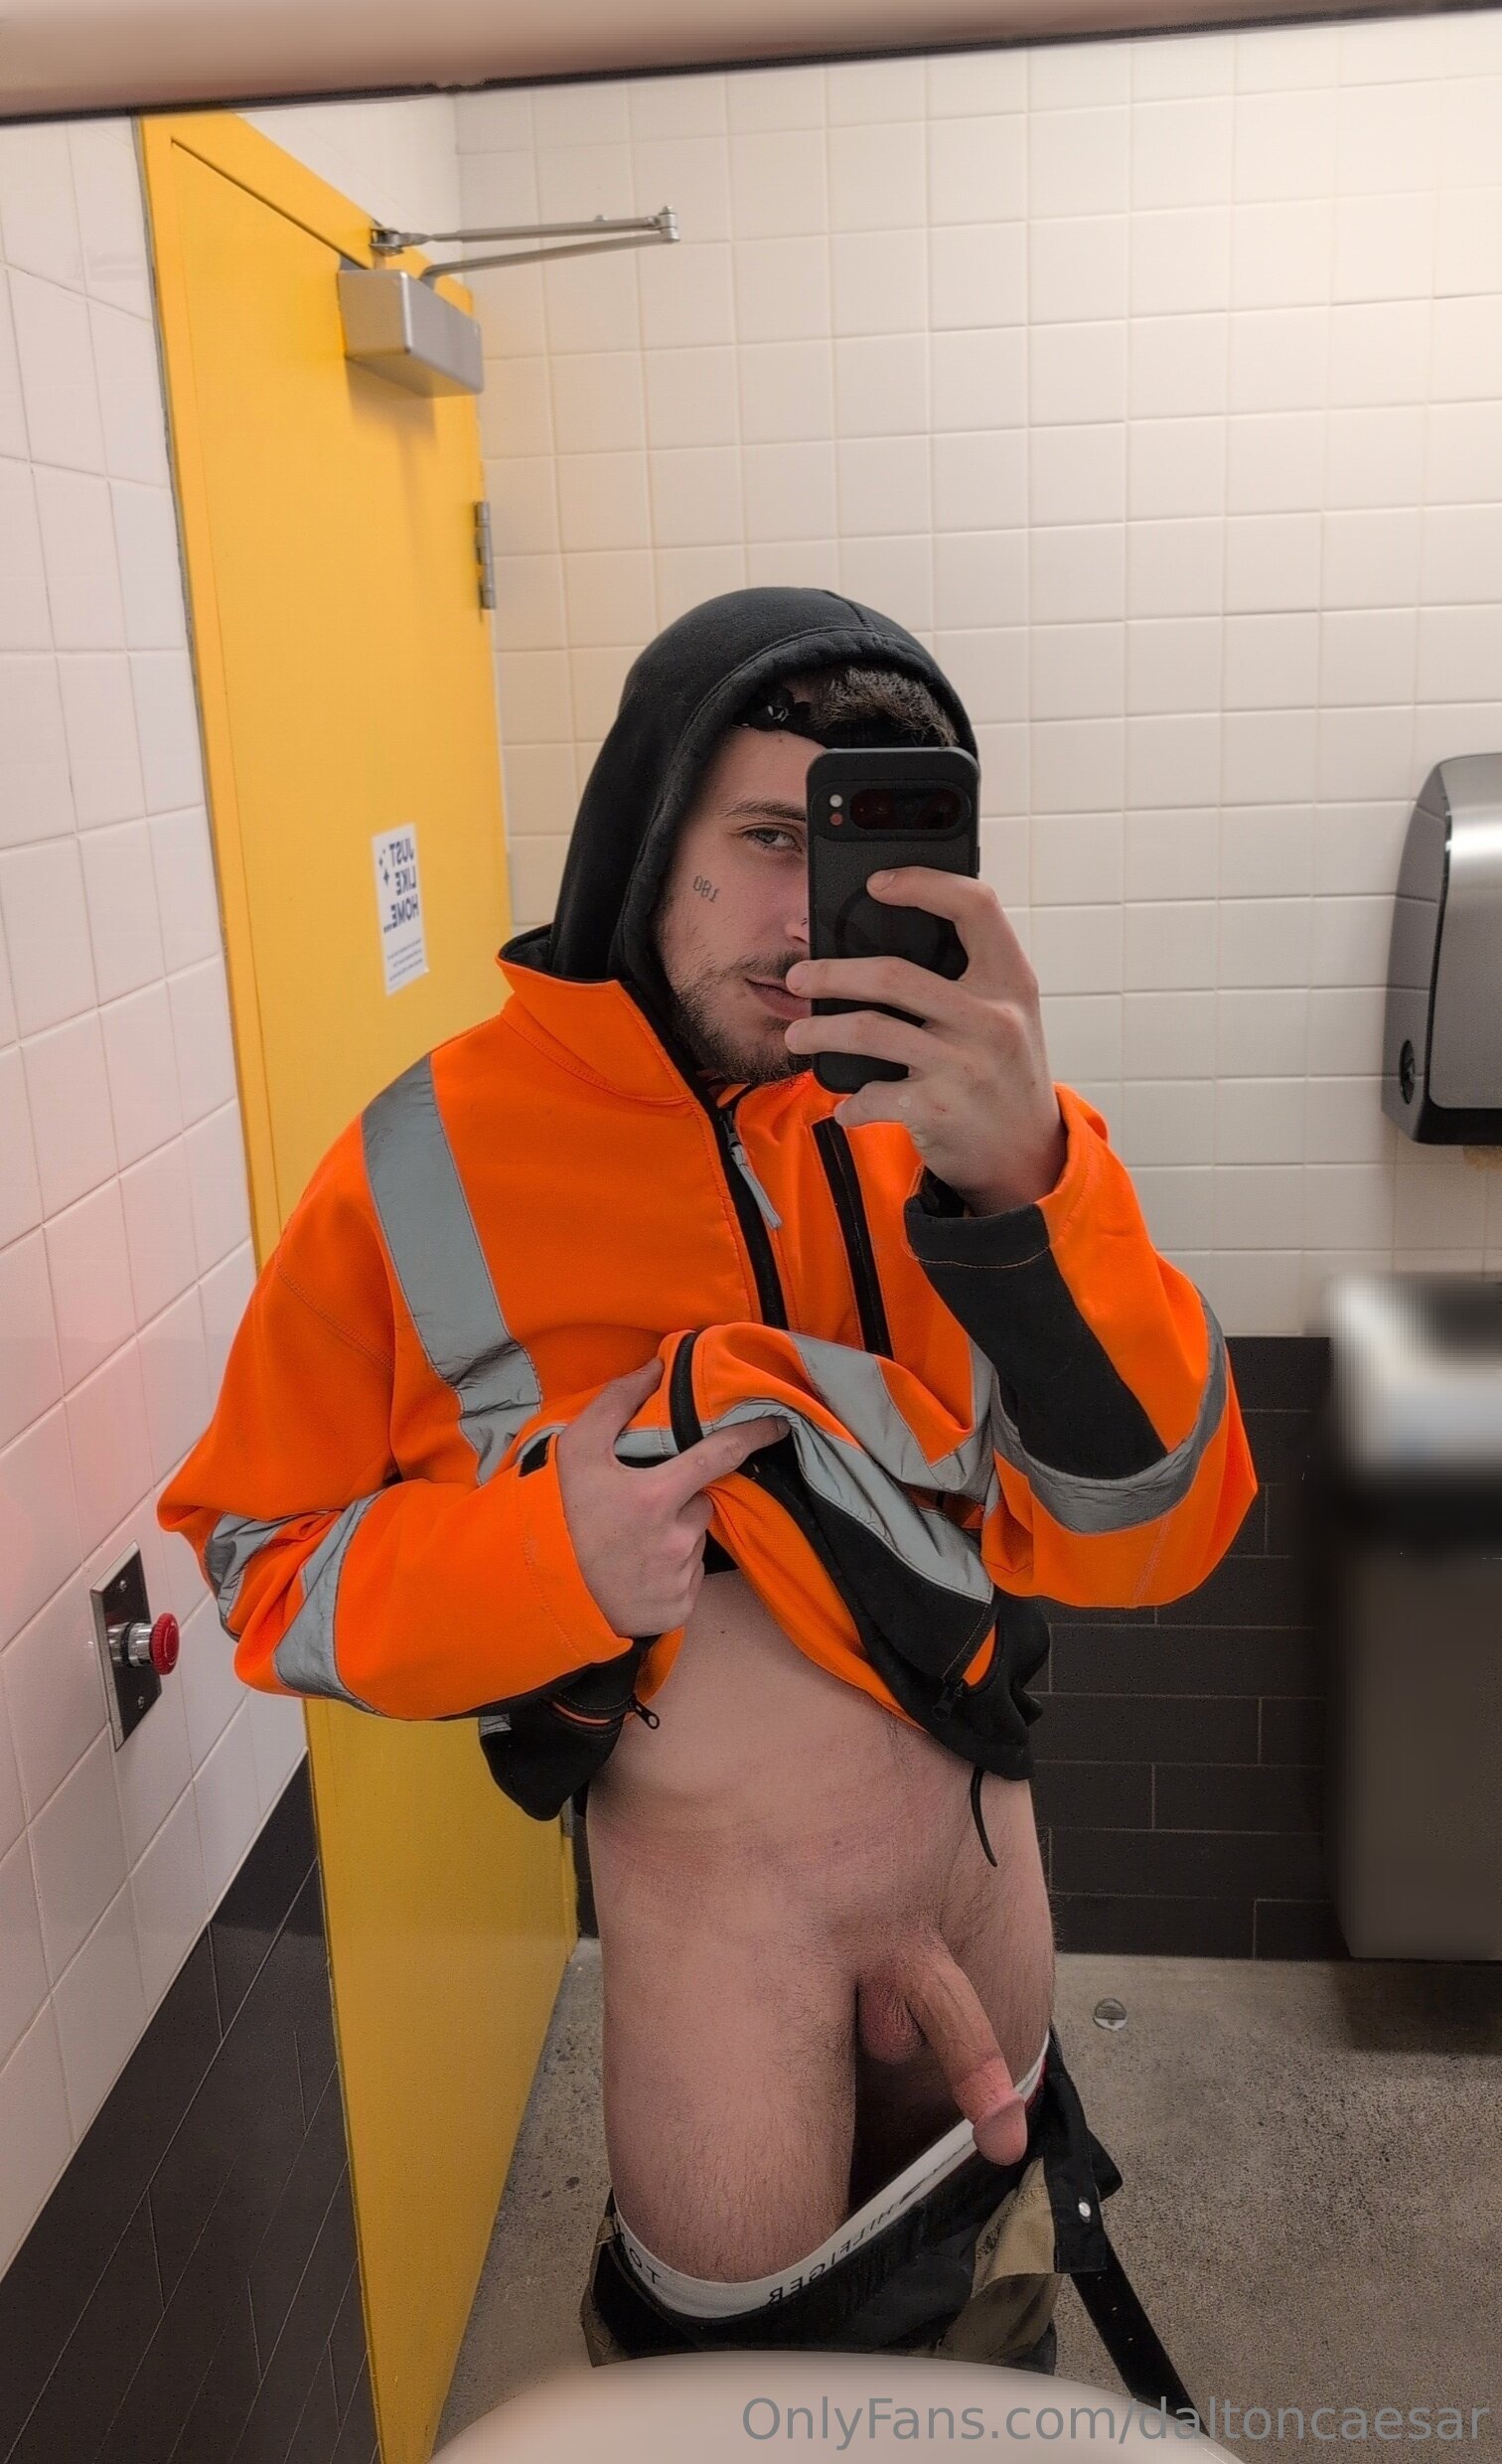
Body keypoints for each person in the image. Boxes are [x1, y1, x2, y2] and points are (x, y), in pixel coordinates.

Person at [159, 586, 1257, 2375]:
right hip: (724, 1977)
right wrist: (548, 1559)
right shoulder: (423, 1169)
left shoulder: (965, 1126)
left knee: (992, 2362)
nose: (804, 916)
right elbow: (258, 1565)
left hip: (991, 1902)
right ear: (647, 831)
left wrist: (1029, 1189)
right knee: (736, 2411)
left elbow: (1160, 1532)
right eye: (763, 838)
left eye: (860, 846)